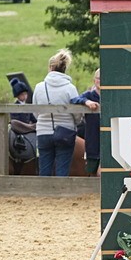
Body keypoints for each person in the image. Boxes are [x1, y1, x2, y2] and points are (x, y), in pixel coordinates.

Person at [33, 48, 80, 177]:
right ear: (65, 68)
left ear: (50, 67)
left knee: (44, 168)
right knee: (62, 169)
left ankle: (45, 194)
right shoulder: (70, 88)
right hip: (65, 131)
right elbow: (77, 113)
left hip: (43, 131)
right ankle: (61, 194)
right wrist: (76, 122)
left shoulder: (39, 87)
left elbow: (35, 112)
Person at [71, 69, 102, 176]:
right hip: (93, 139)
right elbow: (74, 99)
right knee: (91, 169)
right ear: (94, 80)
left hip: (108, 138)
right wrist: (87, 102)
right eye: (98, 78)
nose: (101, 81)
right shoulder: (89, 95)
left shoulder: (110, 95)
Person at [8, 78, 37, 172]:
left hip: (28, 126)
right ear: (18, 96)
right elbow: (15, 119)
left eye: (25, 94)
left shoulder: (28, 106)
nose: (24, 96)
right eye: (22, 94)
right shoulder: (15, 106)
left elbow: (33, 118)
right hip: (19, 127)